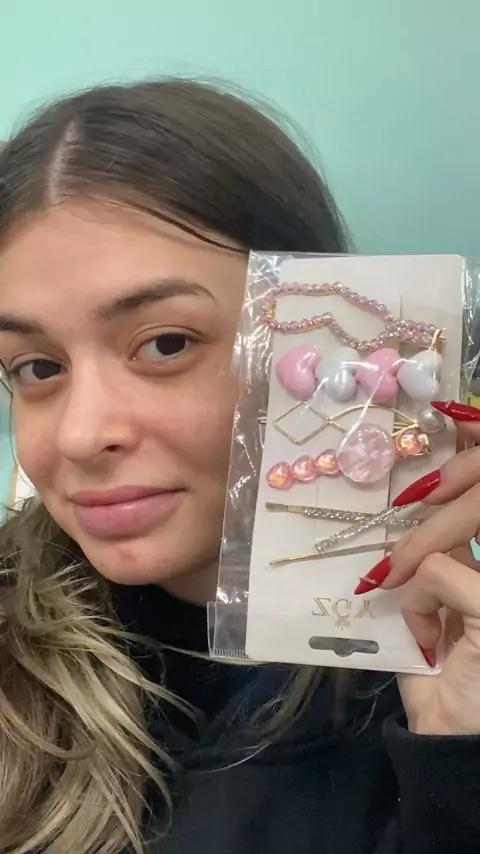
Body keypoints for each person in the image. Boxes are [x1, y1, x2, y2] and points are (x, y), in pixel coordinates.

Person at [0, 78, 479, 854]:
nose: (80, 436)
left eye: (165, 344)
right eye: (37, 367)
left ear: (326, 335)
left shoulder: (442, 675)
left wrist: (458, 767)